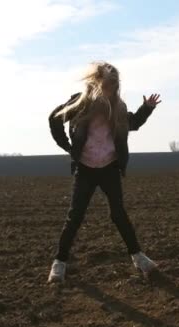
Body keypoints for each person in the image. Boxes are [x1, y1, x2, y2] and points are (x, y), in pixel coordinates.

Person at [47, 61, 162, 283]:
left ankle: (139, 258)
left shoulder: (117, 107)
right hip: (86, 169)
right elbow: (54, 120)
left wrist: (147, 108)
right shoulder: (80, 104)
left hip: (109, 168)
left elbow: (133, 123)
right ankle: (59, 263)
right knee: (75, 216)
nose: (111, 88)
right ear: (97, 84)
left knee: (119, 214)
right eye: (108, 84)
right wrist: (69, 149)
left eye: (114, 84)